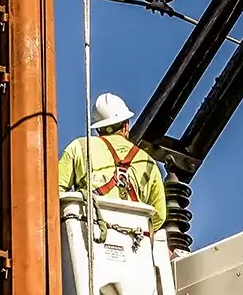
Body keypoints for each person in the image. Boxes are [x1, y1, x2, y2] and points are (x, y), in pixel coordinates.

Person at [57, 92, 167, 230]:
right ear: (126, 126)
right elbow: (159, 216)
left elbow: (54, 192)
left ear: (98, 129)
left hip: (89, 237)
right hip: (135, 242)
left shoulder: (79, 147)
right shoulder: (148, 163)